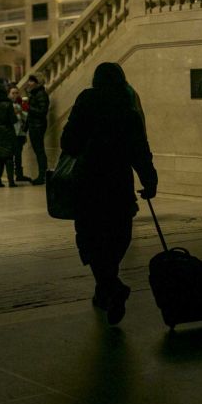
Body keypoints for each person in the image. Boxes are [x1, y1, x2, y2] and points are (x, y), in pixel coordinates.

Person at [61, 62, 158, 325]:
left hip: (89, 182)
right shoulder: (128, 109)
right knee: (117, 237)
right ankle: (108, 287)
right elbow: (139, 149)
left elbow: (69, 142)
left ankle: (110, 287)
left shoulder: (86, 101)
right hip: (117, 183)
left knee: (91, 237)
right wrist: (150, 179)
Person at [22, 73, 50, 185]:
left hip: (38, 126)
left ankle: (42, 175)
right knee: (38, 151)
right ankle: (42, 175)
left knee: (39, 151)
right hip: (34, 125)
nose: (29, 83)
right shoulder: (34, 94)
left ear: (37, 83)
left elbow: (43, 112)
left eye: (31, 81)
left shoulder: (41, 94)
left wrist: (29, 108)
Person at [9, 85, 30, 181]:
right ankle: (11, 176)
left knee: (18, 155)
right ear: (9, 94)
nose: (15, 95)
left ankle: (19, 174)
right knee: (10, 155)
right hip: (11, 133)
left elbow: (26, 117)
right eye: (13, 93)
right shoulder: (8, 104)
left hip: (20, 133)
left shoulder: (21, 104)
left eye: (17, 93)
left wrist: (21, 112)